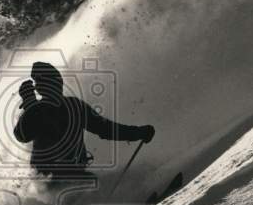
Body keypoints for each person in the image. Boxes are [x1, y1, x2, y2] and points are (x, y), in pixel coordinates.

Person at [13, 61, 154, 180]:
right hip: (48, 178)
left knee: (90, 181)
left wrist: (138, 133)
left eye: (57, 81)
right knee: (89, 182)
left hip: (74, 172)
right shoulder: (38, 111)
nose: (57, 86)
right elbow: (22, 135)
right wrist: (29, 103)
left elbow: (105, 129)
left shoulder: (74, 106)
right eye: (51, 83)